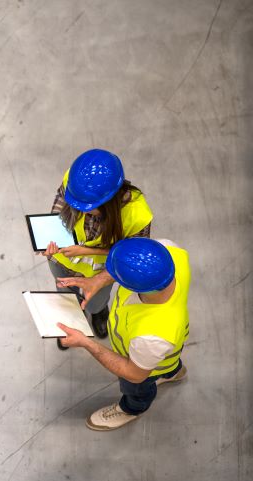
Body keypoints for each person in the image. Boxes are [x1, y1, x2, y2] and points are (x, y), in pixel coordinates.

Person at [56, 238, 190, 431]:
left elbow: (134, 374)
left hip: (142, 363)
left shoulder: (152, 337)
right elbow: (134, 261)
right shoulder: (171, 250)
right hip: (165, 350)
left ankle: (131, 409)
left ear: (137, 288)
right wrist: (97, 281)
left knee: (137, 388)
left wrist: (86, 343)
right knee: (166, 362)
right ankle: (173, 371)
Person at [44, 149, 153, 349]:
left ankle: (99, 312)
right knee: (65, 293)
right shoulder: (75, 181)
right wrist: (48, 239)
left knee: (95, 302)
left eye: (87, 206)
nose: (80, 209)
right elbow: (60, 205)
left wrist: (86, 253)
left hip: (99, 274)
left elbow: (130, 260)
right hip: (61, 261)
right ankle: (72, 318)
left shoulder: (137, 215)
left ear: (108, 201)